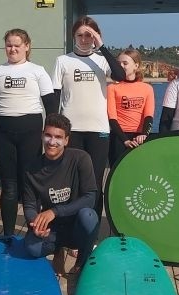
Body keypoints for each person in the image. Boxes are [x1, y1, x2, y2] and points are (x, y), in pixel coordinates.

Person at [0, 28, 57, 236]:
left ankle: (33, 231)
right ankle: (8, 234)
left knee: (30, 184)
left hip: (31, 133)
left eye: (17, 45)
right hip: (4, 134)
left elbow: (51, 106)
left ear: (27, 47)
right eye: (9, 45)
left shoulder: (37, 71)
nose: (12, 49)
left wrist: (53, 135)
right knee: (9, 187)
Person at [51, 16, 125, 199]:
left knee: (95, 182)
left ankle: (92, 226)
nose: (84, 39)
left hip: (98, 130)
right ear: (73, 37)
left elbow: (120, 75)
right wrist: (52, 126)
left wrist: (102, 46)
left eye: (88, 35)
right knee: (72, 181)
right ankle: (72, 225)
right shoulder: (62, 61)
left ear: (95, 37)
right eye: (79, 35)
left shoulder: (101, 60)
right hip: (72, 130)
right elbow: (55, 96)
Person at [20, 113, 98, 272]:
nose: (52, 141)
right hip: (52, 229)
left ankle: (82, 263)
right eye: (48, 135)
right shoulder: (31, 168)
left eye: (58, 137)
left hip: (77, 226)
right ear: (42, 136)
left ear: (66, 140)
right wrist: (35, 223)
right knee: (31, 248)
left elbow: (90, 198)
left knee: (89, 216)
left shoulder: (81, 158)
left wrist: (54, 211)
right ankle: (57, 250)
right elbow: (29, 205)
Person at [106, 47, 155, 166]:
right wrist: (125, 140)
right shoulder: (112, 88)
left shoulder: (147, 88)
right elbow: (112, 118)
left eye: (125, 63)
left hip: (140, 137)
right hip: (119, 138)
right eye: (119, 63)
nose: (121, 66)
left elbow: (148, 116)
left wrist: (144, 134)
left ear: (136, 66)